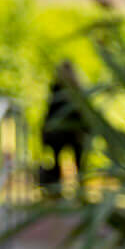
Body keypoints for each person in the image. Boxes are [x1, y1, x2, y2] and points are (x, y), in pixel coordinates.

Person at [38, 60, 86, 197]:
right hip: (70, 133)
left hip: (66, 132)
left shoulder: (64, 88)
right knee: (78, 163)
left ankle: (60, 191)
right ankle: (75, 191)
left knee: (66, 162)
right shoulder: (72, 88)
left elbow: (50, 111)